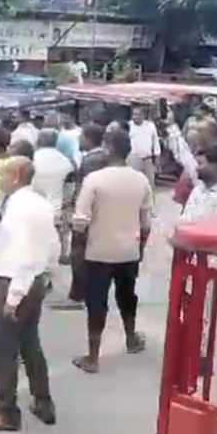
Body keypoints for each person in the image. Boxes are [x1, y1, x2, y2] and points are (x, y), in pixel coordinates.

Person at [0, 157, 58, 431]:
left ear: (17, 176)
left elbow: (24, 253)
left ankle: (6, 412)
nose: (1, 180)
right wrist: (46, 275)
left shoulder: (20, 208)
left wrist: (14, 295)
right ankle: (43, 401)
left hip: (14, 281)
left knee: (6, 349)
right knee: (30, 342)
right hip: (34, 280)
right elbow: (52, 245)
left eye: (4, 175)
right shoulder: (39, 203)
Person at [71, 130, 151, 374]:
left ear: (107, 148)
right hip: (129, 251)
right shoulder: (140, 180)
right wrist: (140, 249)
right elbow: (146, 223)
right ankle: (131, 338)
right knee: (127, 296)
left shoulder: (94, 180)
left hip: (98, 251)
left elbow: (80, 221)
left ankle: (93, 356)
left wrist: (78, 250)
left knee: (97, 303)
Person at [59, 123, 108, 310]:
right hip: (98, 214)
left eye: (81, 137)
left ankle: (78, 295)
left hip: (86, 214)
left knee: (79, 255)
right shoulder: (101, 158)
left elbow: (85, 190)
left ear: (88, 138)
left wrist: (76, 211)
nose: (79, 140)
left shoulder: (91, 161)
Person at [33, 129, 76, 263]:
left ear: (38, 141)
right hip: (56, 209)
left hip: (34, 209)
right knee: (59, 236)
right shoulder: (67, 162)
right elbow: (70, 189)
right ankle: (62, 256)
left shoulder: (31, 159)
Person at [128, 106, 161, 192]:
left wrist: (157, 158)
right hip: (134, 159)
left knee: (150, 185)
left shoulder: (150, 126)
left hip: (147, 160)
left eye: (137, 114)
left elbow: (155, 142)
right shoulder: (129, 126)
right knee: (133, 185)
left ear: (143, 115)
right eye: (134, 114)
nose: (135, 117)